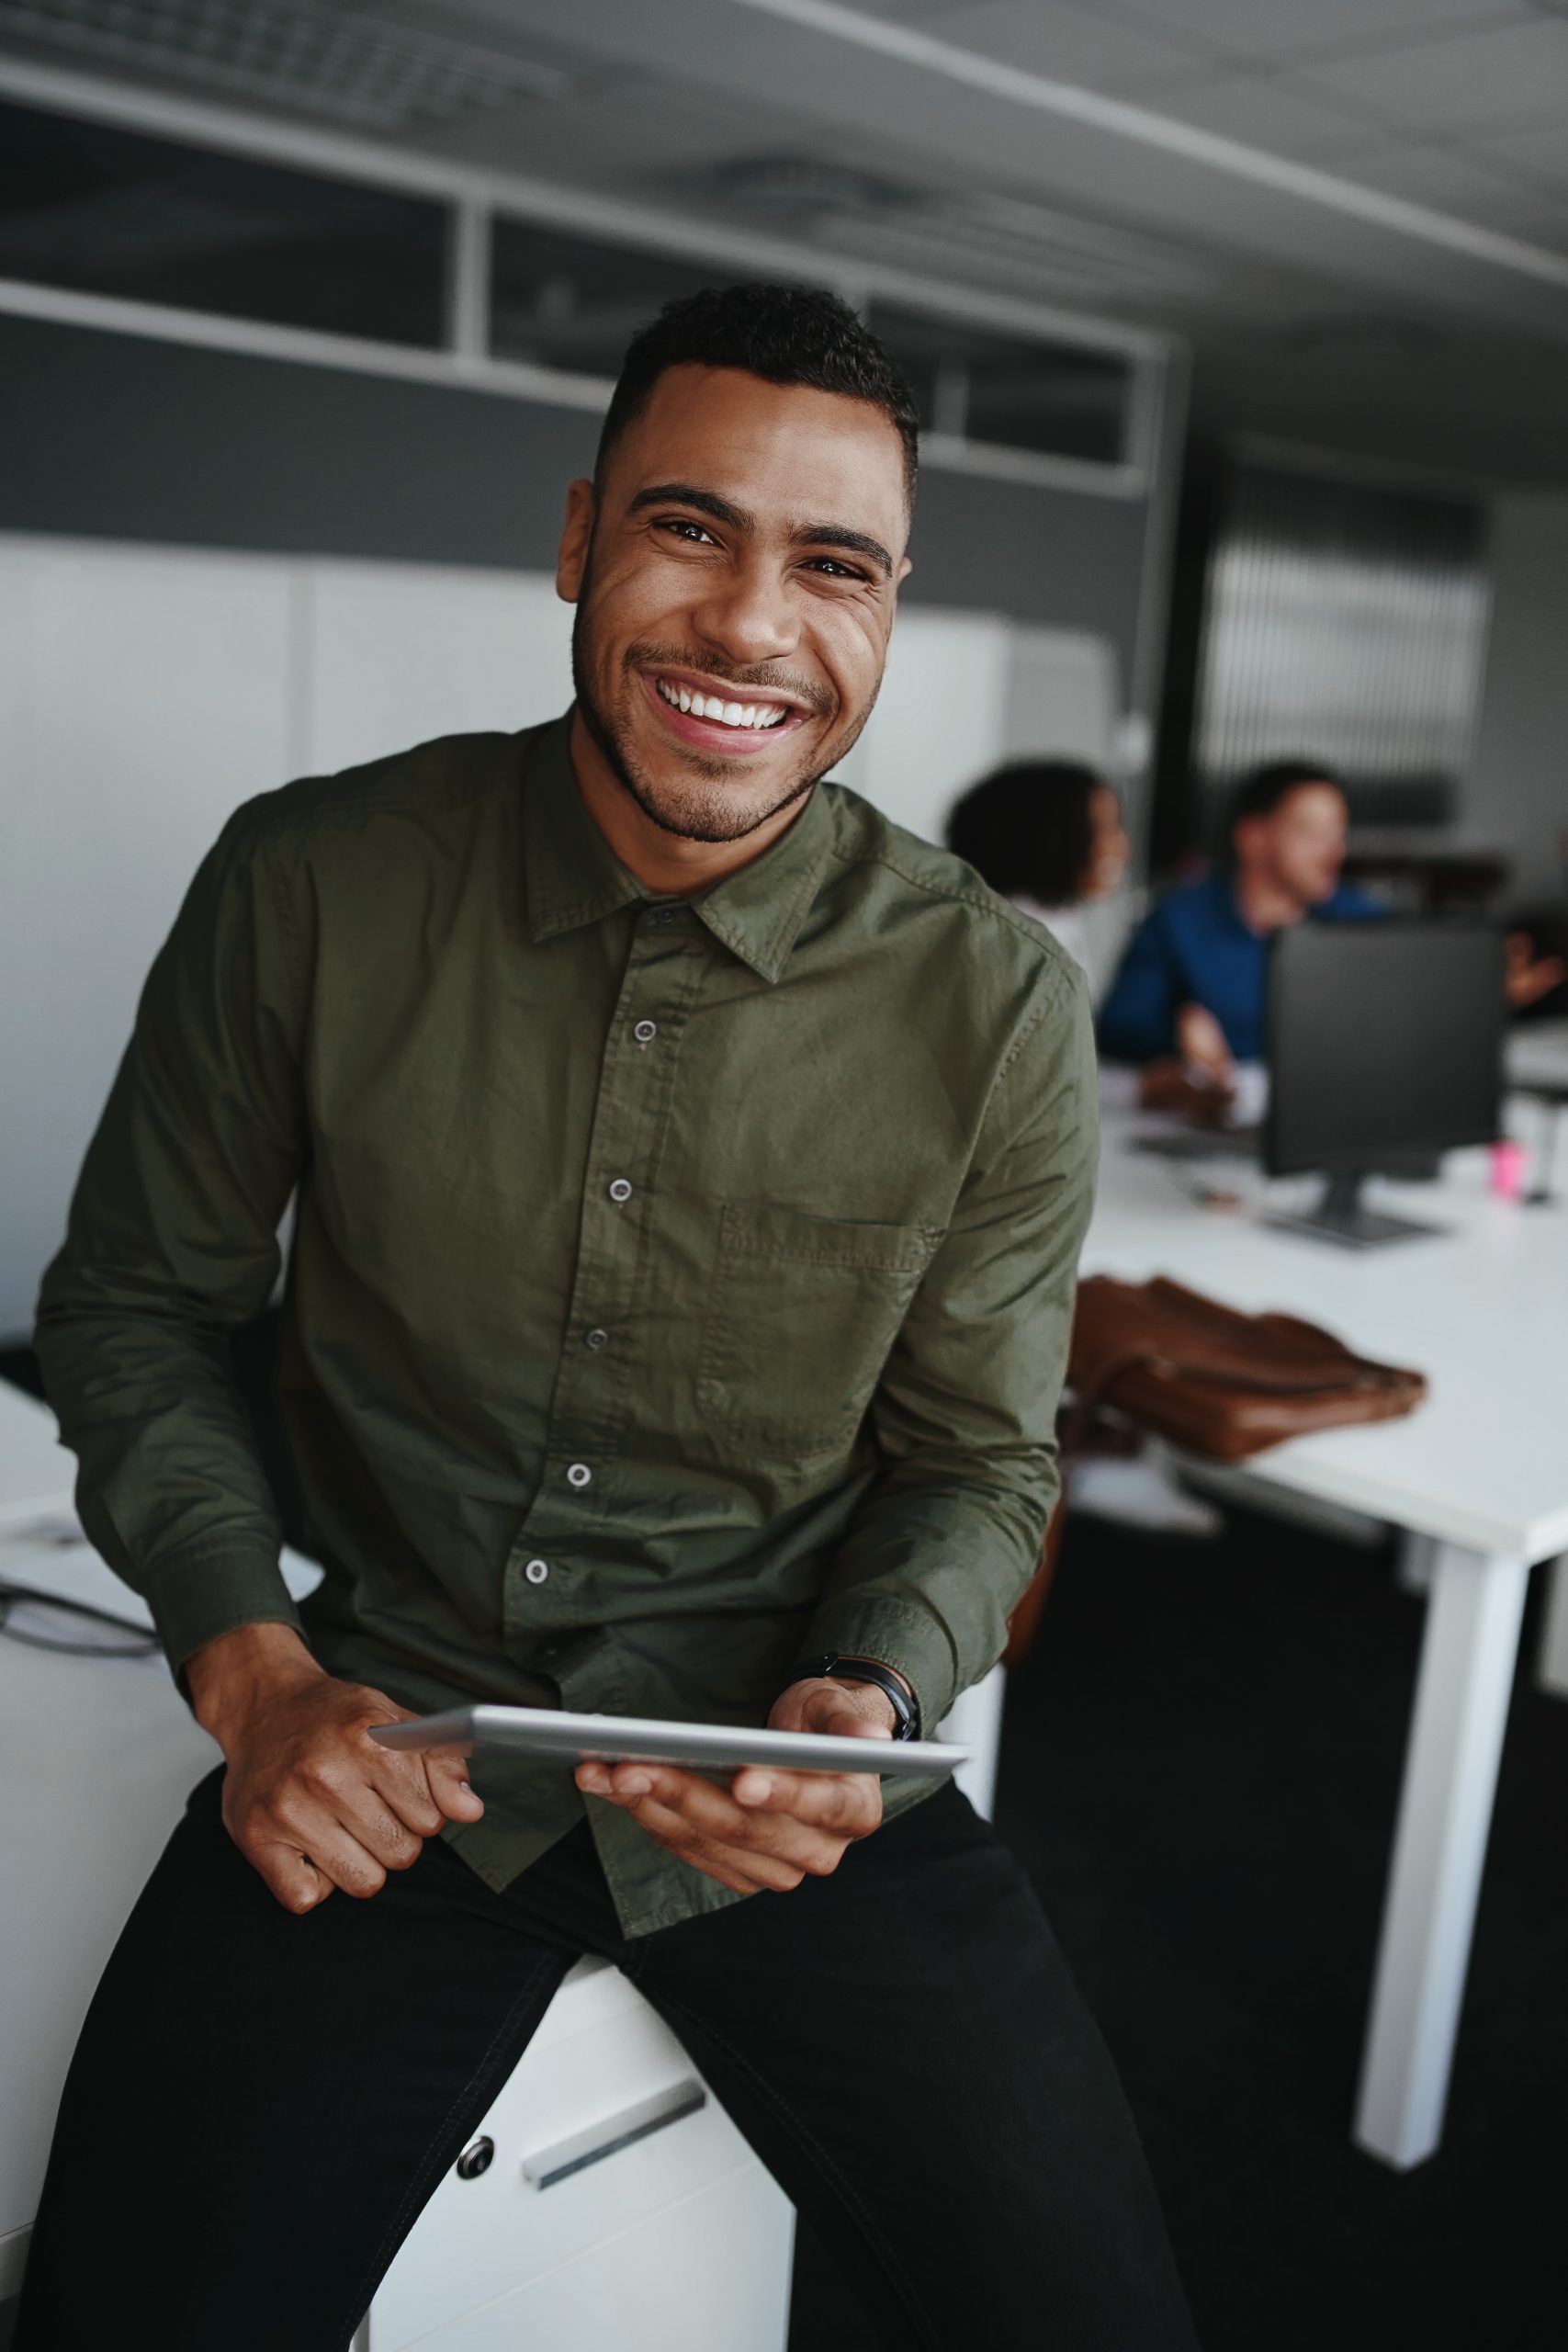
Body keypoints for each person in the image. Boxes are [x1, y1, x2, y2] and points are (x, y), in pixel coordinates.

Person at [18, 287, 1197, 2351]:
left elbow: (977, 1458)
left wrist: (871, 1693)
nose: (751, 624)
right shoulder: (310, 881)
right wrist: (248, 1663)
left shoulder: (994, 1002)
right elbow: (134, 1307)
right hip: (390, 1737)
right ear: (577, 541)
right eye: (688, 529)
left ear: (890, 610)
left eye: (832, 563)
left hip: (783, 1766)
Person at [1097, 757, 1375, 1086]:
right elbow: (1117, 1028)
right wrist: (1176, 1035)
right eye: (1311, 833)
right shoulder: (1178, 918)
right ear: (1252, 838)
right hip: (1217, 1111)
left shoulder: (1364, 923)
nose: (1333, 851)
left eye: (1338, 834)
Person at [944, 757, 1131, 1001]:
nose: (1122, 847)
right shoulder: (1009, 946)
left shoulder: (1060, 922)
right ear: (1051, 840)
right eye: (1104, 830)